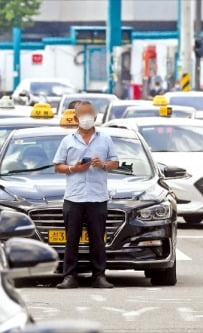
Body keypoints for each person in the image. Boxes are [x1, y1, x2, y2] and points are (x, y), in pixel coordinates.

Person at [52, 101, 119, 289]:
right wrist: (74, 168)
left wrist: (103, 164)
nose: (87, 118)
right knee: (71, 239)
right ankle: (69, 276)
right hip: (74, 197)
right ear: (75, 118)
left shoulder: (105, 139)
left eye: (90, 114)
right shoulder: (68, 141)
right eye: (82, 115)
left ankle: (99, 276)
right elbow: (58, 166)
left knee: (97, 239)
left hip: (97, 197)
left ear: (96, 117)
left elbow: (115, 162)